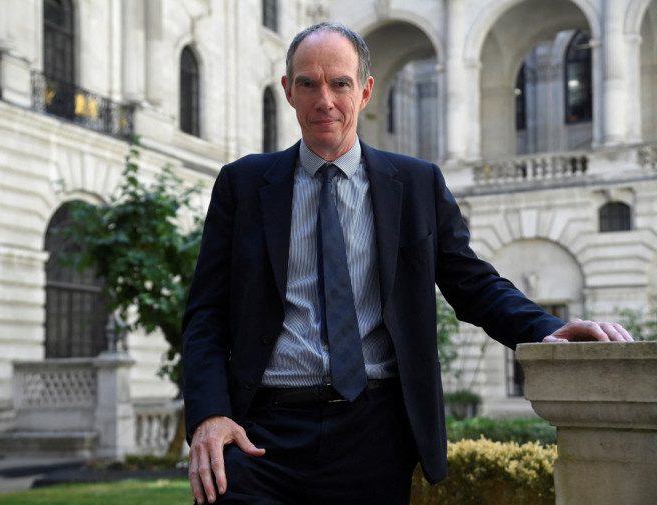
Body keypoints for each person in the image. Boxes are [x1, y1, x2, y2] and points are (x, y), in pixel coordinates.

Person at [181, 22, 632, 505]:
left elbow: (472, 284)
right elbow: (207, 314)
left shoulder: (417, 185)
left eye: (340, 83)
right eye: (308, 83)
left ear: (366, 90)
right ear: (288, 91)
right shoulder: (243, 184)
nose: (324, 100)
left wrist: (547, 328)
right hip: (261, 433)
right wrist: (209, 414)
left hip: (375, 433)